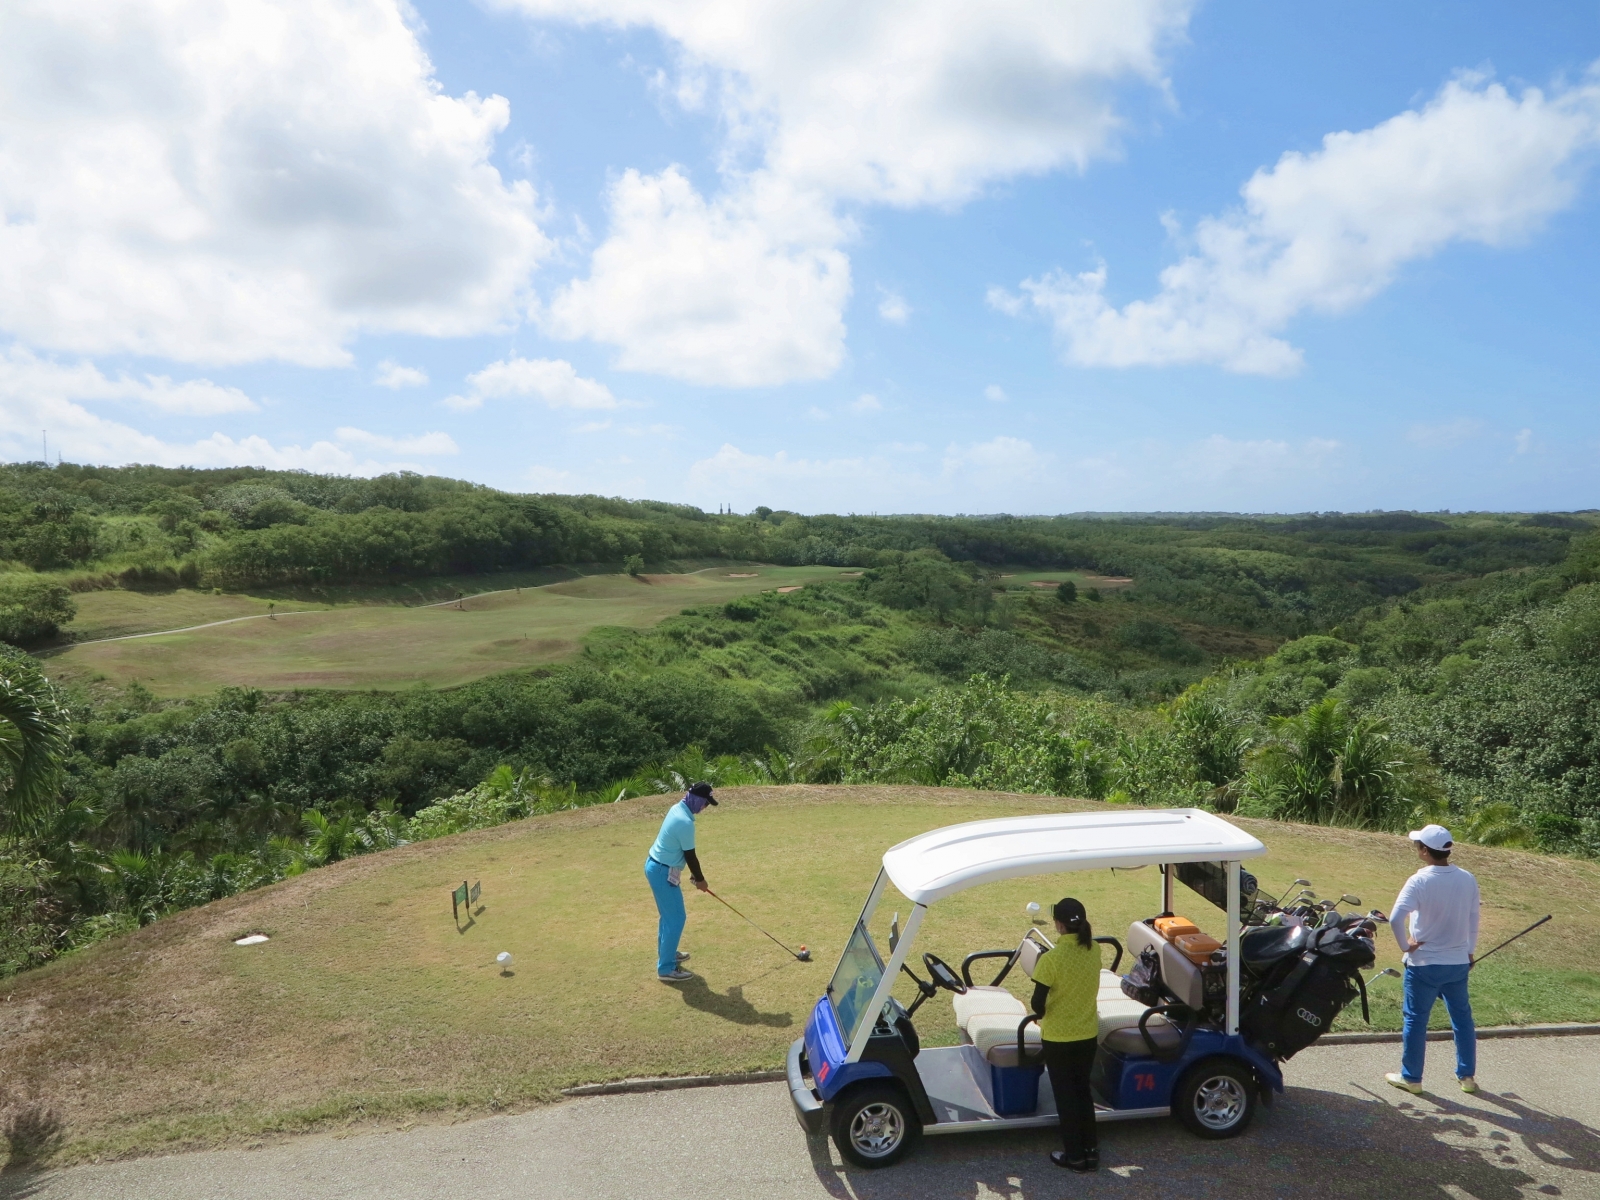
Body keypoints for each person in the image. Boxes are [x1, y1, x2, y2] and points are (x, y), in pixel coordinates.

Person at [1385, 823, 1481, 1095]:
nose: (1415, 848)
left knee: (1416, 1019)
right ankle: (1467, 1077)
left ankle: (1411, 1078)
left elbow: (1395, 918)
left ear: (1425, 851)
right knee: (1462, 1018)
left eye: (1417, 845)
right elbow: (1474, 919)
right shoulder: (1467, 878)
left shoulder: (1419, 880)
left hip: (1424, 964)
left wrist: (1406, 946)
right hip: (1458, 963)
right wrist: (1469, 951)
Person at [1030, 897, 1102, 1172]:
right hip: (1087, 1034)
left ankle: (1074, 1156)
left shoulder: (1051, 960)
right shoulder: (1094, 949)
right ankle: (1091, 1152)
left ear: (1059, 925)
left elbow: (1038, 1004)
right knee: (1083, 1092)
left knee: (1066, 1097)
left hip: (1059, 1038)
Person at [644, 781, 717, 982]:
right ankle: (666, 968)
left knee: (668, 917)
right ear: (696, 799)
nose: (705, 807)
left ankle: (667, 953)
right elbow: (690, 856)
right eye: (705, 803)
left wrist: (694, 874)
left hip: (658, 866)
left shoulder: (677, 808)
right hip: (662, 872)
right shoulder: (685, 822)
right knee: (676, 918)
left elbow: (681, 851)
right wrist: (700, 880)